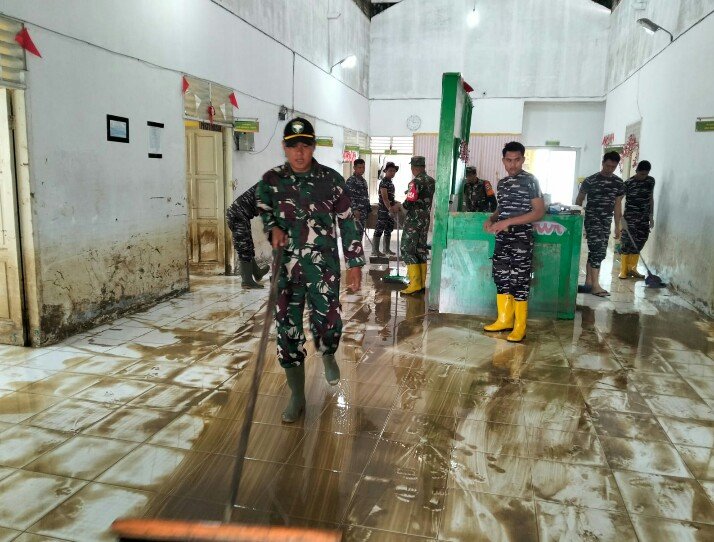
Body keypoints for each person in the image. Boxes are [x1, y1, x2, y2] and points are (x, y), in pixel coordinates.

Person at [256, 117, 364, 423]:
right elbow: (263, 207)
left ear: (313, 146)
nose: (299, 152)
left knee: (329, 322)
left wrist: (354, 262)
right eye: (293, 147)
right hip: (286, 270)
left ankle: (327, 354)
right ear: (284, 147)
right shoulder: (271, 181)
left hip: (323, 269)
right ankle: (297, 396)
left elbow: (347, 220)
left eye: (305, 145)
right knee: (287, 331)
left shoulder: (331, 180)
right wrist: (272, 227)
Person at [483, 141, 545, 342]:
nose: (513, 165)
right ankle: (504, 320)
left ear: (523, 159)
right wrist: (492, 218)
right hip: (503, 238)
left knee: (519, 280)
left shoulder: (530, 181)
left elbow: (539, 211)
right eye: (509, 160)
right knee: (501, 277)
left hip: (521, 238)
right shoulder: (502, 183)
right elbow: (502, 208)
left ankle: (520, 326)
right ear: (503, 161)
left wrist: (508, 222)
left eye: (517, 160)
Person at [575, 151, 625, 296]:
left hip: (606, 221)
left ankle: (589, 283)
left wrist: (617, 226)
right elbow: (579, 199)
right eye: (607, 166)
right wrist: (578, 218)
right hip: (592, 219)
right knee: (597, 250)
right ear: (602, 163)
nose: (609, 169)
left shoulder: (618, 183)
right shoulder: (590, 180)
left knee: (599, 252)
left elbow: (617, 205)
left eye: (613, 167)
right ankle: (596, 286)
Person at [399, 156, 436, 295]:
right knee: (420, 249)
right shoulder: (431, 181)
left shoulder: (415, 182)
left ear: (414, 168)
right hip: (425, 220)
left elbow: (410, 200)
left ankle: (414, 284)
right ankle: (421, 284)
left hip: (414, 220)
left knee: (407, 249)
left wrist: (401, 207)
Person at [226, 183, 270, 289]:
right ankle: (247, 281)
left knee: (248, 244)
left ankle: (257, 273)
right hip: (237, 214)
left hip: (243, 215)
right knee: (244, 246)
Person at [618, 160, 655, 279]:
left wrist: (651, 215)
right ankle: (623, 270)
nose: (643, 176)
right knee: (627, 242)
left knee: (640, 241)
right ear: (637, 171)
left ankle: (632, 269)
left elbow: (651, 198)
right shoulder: (628, 183)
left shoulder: (650, 181)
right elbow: (618, 200)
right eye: (641, 174)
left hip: (644, 218)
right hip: (630, 218)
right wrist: (621, 218)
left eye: (646, 174)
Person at [372, 162, 400, 257]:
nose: (392, 173)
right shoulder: (384, 182)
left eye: (394, 171)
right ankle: (375, 251)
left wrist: (395, 203)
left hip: (389, 209)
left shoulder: (390, 182)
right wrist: (390, 208)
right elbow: (384, 198)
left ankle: (386, 249)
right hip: (384, 210)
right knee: (379, 229)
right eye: (390, 171)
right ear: (386, 171)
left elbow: (390, 197)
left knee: (388, 229)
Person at [345, 158, 371, 243]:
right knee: (354, 236)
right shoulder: (351, 181)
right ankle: (353, 251)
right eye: (359, 167)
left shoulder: (363, 181)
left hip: (363, 213)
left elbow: (365, 196)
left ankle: (358, 250)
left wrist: (368, 209)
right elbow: (349, 197)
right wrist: (354, 209)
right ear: (354, 168)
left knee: (360, 235)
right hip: (355, 213)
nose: (362, 169)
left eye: (363, 167)